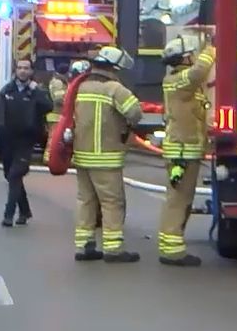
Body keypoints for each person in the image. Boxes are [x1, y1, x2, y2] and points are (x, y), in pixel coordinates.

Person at [68, 46, 143, 262]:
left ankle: (84, 246)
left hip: (81, 155)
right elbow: (135, 113)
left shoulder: (80, 87)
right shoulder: (114, 89)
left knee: (86, 201)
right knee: (112, 202)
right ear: (113, 68)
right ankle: (113, 248)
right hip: (106, 157)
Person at [157, 31, 216, 266]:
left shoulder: (181, 84)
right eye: (191, 55)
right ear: (184, 58)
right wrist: (211, 48)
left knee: (183, 199)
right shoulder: (177, 81)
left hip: (186, 149)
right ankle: (171, 250)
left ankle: (173, 244)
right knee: (178, 199)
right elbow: (199, 72)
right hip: (181, 151)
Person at [0, 59, 52, 227]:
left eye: (26, 68)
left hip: (26, 140)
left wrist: (37, 91)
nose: (23, 71)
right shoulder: (7, 91)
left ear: (31, 71)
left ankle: (8, 214)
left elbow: (49, 106)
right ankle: (24, 210)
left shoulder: (36, 92)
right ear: (15, 70)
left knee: (15, 175)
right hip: (7, 140)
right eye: (20, 68)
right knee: (10, 175)